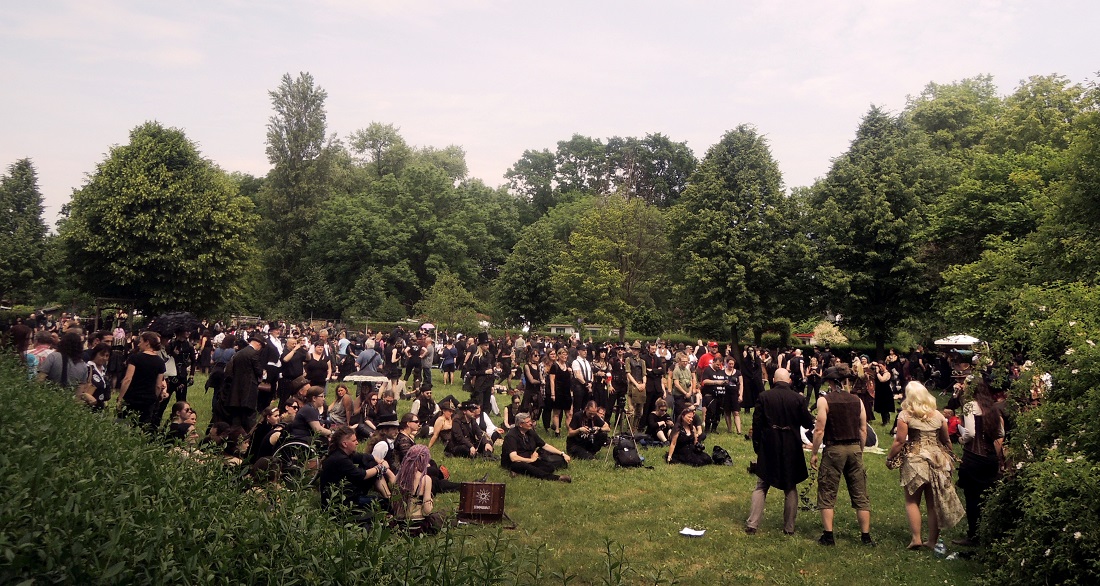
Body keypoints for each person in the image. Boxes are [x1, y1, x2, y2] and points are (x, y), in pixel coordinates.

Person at [886, 382, 965, 550]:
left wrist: (889, 458)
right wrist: (949, 457)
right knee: (932, 502)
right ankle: (932, 541)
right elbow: (946, 441)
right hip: (937, 460)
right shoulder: (938, 416)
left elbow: (900, 441)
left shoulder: (905, 416)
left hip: (915, 461)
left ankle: (916, 538)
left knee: (912, 501)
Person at [746, 368, 816, 535]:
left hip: (770, 443)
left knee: (762, 484)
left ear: (774, 380)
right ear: (789, 381)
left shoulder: (764, 396)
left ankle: (752, 524)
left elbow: (757, 424)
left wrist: (757, 445)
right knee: (790, 485)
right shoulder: (798, 398)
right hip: (791, 444)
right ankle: (789, 528)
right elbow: (807, 423)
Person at [809, 375, 874, 546]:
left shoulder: (824, 401)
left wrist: (814, 453)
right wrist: (859, 450)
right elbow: (863, 429)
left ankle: (828, 535)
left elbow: (819, 430)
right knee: (860, 492)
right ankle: (865, 536)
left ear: (830, 382)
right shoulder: (857, 400)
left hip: (834, 449)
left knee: (827, 490)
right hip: (854, 448)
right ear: (845, 381)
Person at [954, 378, 1004, 547]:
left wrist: (961, 439)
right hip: (990, 459)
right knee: (987, 496)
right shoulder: (992, 408)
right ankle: (988, 533)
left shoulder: (970, 406)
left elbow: (971, 433)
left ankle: (974, 535)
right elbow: (1000, 433)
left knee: (972, 497)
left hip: (974, 457)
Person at [318, 426, 395, 514]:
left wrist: (379, 460)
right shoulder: (340, 459)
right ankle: (389, 504)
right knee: (382, 503)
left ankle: (388, 497)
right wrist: (381, 468)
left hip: (349, 493)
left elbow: (363, 456)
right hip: (340, 503)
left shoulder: (345, 453)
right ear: (345, 444)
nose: (357, 443)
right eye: (354, 441)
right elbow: (362, 475)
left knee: (371, 463)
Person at [118, 331, 169, 430]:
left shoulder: (135, 358)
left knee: (123, 424)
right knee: (142, 427)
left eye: (140, 341)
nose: (138, 344)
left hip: (132, 397)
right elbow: (159, 385)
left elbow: (127, 379)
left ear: (147, 342)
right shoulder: (160, 362)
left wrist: (120, 398)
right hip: (148, 399)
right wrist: (155, 397)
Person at [501, 413, 572, 482]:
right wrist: (531, 460)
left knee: (550, 467)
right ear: (520, 424)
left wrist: (562, 454)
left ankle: (520, 472)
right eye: (528, 422)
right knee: (530, 468)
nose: (531, 423)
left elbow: (545, 445)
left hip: (529, 458)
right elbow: (513, 458)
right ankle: (557, 478)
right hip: (515, 462)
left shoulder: (530, 432)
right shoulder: (511, 436)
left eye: (530, 421)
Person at [392, 444, 441, 533]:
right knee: (440, 517)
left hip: (399, 525)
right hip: (416, 525)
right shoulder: (425, 479)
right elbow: (427, 510)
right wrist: (430, 502)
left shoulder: (398, 476)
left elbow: (393, 503)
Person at [223, 333, 264, 430]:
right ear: (258, 344)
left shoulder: (239, 353)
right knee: (250, 417)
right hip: (249, 390)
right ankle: (250, 438)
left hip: (236, 390)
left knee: (236, 418)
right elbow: (258, 371)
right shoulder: (253, 354)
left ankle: (234, 437)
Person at [78, 343, 112, 411]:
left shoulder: (104, 370)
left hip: (100, 408)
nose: (104, 358)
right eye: (102, 355)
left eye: (107, 356)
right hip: (88, 408)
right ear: (95, 354)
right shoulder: (87, 369)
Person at [547, 347, 573, 437]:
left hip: (566, 392)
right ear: (559, 355)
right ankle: (557, 431)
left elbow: (569, 380)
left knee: (569, 413)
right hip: (558, 392)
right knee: (557, 413)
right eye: (563, 354)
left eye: (566, 354)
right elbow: (552, 380)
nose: (565, 356)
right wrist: (553, 394)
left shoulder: (568, 365)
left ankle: (570, 431)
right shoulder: (554, 366)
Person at [626, 341, 648, 430]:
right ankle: (629, 429)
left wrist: (644, 384)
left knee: (639, 411)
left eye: (636, 349)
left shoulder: (642, 361)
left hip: (641, 385)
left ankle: (635, 427)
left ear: (639, 350)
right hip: (632, 386)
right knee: (631, 410)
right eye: (633, 349)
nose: (634, 351)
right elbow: (628, 373)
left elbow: (644, 374)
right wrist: (636, 384)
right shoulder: (628, 359)